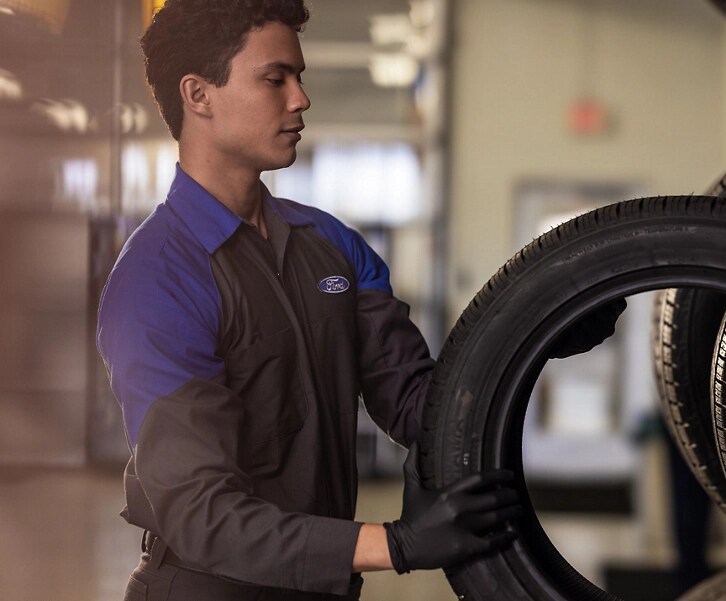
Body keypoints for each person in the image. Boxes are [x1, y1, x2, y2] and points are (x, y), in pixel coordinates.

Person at [96, 1, 622, 599]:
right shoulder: (156, 280)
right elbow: (199, 514)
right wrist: (393, 544)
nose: (301, 99)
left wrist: (533, 335)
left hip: (319, 588)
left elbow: (419, 409)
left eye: (299, 77)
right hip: (205, 587)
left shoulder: (335, 247)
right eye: (275, 79)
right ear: (198, 95)